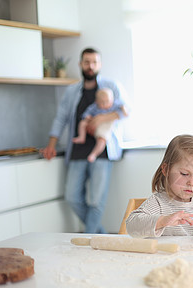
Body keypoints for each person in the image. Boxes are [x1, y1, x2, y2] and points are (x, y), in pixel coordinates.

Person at [41, 47, 128, 234]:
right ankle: (100, 235)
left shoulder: (111, 86)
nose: (90, 66)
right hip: (78, 151)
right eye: (87, 62)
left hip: (102, 151)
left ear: (100, 65)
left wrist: (100, 119)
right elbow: (61, 118)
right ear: (81, 64)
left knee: (96, 201)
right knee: (72, 197)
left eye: (94, 62)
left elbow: (125, 110)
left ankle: (88, 240)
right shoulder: (72, 91)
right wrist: (51, 145)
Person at [126, 134, 193, 240]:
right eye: (184, 174)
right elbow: (131, 225)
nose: (192, 183)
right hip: (165, 256)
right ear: (166, 170)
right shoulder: (158, 203)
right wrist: (162, 221)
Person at [72, 87, 127, 163]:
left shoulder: (115, 106)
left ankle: (94, 154)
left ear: (112, 100)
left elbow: (125, 111)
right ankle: (81, 137)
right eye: (102, 102)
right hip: (92, 127)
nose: (104, 104)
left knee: (102, 140)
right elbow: (87, 113)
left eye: (107, 102)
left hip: (105, 127)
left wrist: (123, 108)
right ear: (97, 101)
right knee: (82, 123)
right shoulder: (94, 107)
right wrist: (88, 117)